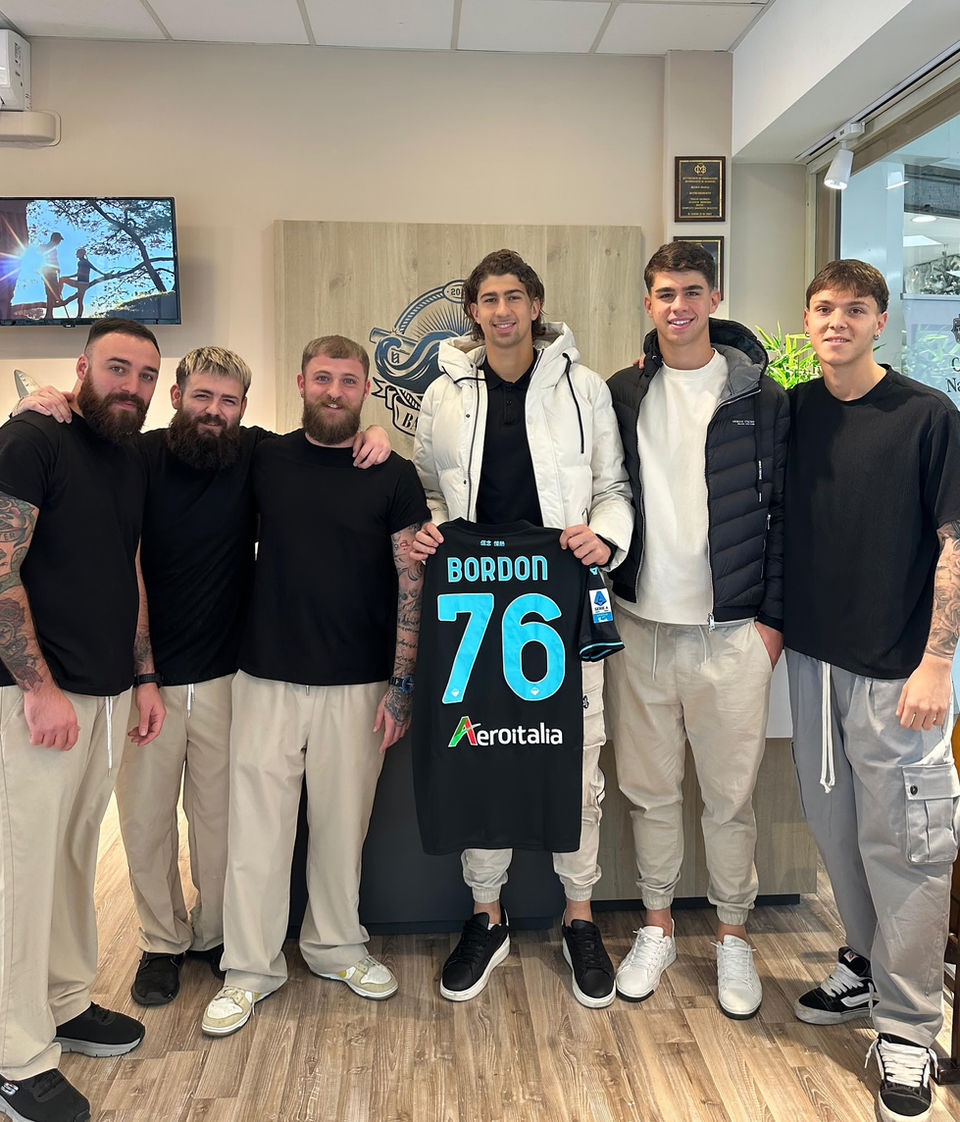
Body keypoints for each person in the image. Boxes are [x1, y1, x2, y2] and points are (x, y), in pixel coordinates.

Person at [14, 350, 391, 1013]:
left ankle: (216, 936)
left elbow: (324, 438)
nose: (214, 411)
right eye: (202, 397)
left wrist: (376, 432)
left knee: (222, 827)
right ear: (177, 396)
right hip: (143, 680)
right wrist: (47, 400)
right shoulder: (137, 455)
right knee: (146, 824)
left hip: (227, 676)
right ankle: (162, 943)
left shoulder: (256, 455)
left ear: (243, 407)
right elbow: (85, 428)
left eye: (229, 400)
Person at [411, 249, 634, 1009]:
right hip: (472, 603)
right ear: (473, 310)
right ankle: (488, 916)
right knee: (480, 753)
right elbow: (426, 489)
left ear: (536, 305)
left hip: (560, 602)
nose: (501, 311)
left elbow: (613, 487)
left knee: (576, 759)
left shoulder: (584, 387)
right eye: (488, 299)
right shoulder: (444, 392)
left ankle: (580, 917)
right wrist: (428, 530)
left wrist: (604, 535)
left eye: (514, 297)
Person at [200, 334, 427, 1038]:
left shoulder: (394, 474)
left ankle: (336, 947)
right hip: (264, 676)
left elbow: (412, 581)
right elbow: (188, 431)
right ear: (301, 383)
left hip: (359, 685)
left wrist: (402, 684)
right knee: (256, 833)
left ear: (367, 391)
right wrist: (41, 405)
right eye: (322, 378)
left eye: (348, 381)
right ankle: (249, 969)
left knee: (341, 828)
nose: (334, 391)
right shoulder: (263, 455)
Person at [785, 259, 960, 1122]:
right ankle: (863, 959)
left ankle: (910, 1027)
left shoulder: (928, 416)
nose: (838, 322)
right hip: (813, 662)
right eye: (824, 308)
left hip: (898, 672)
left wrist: (938, 662)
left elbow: (956, 542)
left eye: (855, 309)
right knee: (839, 834)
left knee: (909, 848)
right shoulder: (795, 412)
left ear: (881, 322)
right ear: (807, 320)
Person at [604, 241, 788, 1018]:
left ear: (713, 298)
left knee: (729, 799)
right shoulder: (622, 391)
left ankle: (733, 937)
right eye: (663, 293)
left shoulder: (762, 397)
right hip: (639, 626)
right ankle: (657, 928)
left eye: (690, 291)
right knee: (648, 793)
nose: (677, 305)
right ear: (648, 304)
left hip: (731, 632)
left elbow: (786, 516)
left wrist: (771, 624)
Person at [0, 319, 165, 1122]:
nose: (130, 386)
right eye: (116, 368)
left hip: (103, 693)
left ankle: (64, 1002)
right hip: (33, 697)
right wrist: (36, 686)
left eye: (145, 374)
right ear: (81, 368)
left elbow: (128, 566)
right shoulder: (32, 438)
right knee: (20, 874)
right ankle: (13, 1056)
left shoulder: (125, 456)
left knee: (70, 859)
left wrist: (143, 673)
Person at [60, 248, 105, 318]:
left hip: (82, 284)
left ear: (82, 254)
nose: (76, 255)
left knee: (62, 279)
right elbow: (94, 269)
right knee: (79, 300)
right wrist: (104, 274)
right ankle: (79, 316)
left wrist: (68, 277)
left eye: (78, 254)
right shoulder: (84, 262)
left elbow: (79, 273)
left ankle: (58, 295)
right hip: (82, 283)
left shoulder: (82, 262)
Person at [38, 232, 64, 321]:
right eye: (59, 240)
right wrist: (57, 267)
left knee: (50, 293)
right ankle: (49, 314)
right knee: (52, 293)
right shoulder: (51, 248)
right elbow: (53, 260)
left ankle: (49, 314)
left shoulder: (45, 247)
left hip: (46, 273)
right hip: (50, 273)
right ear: (56, 239)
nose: (59, 242)